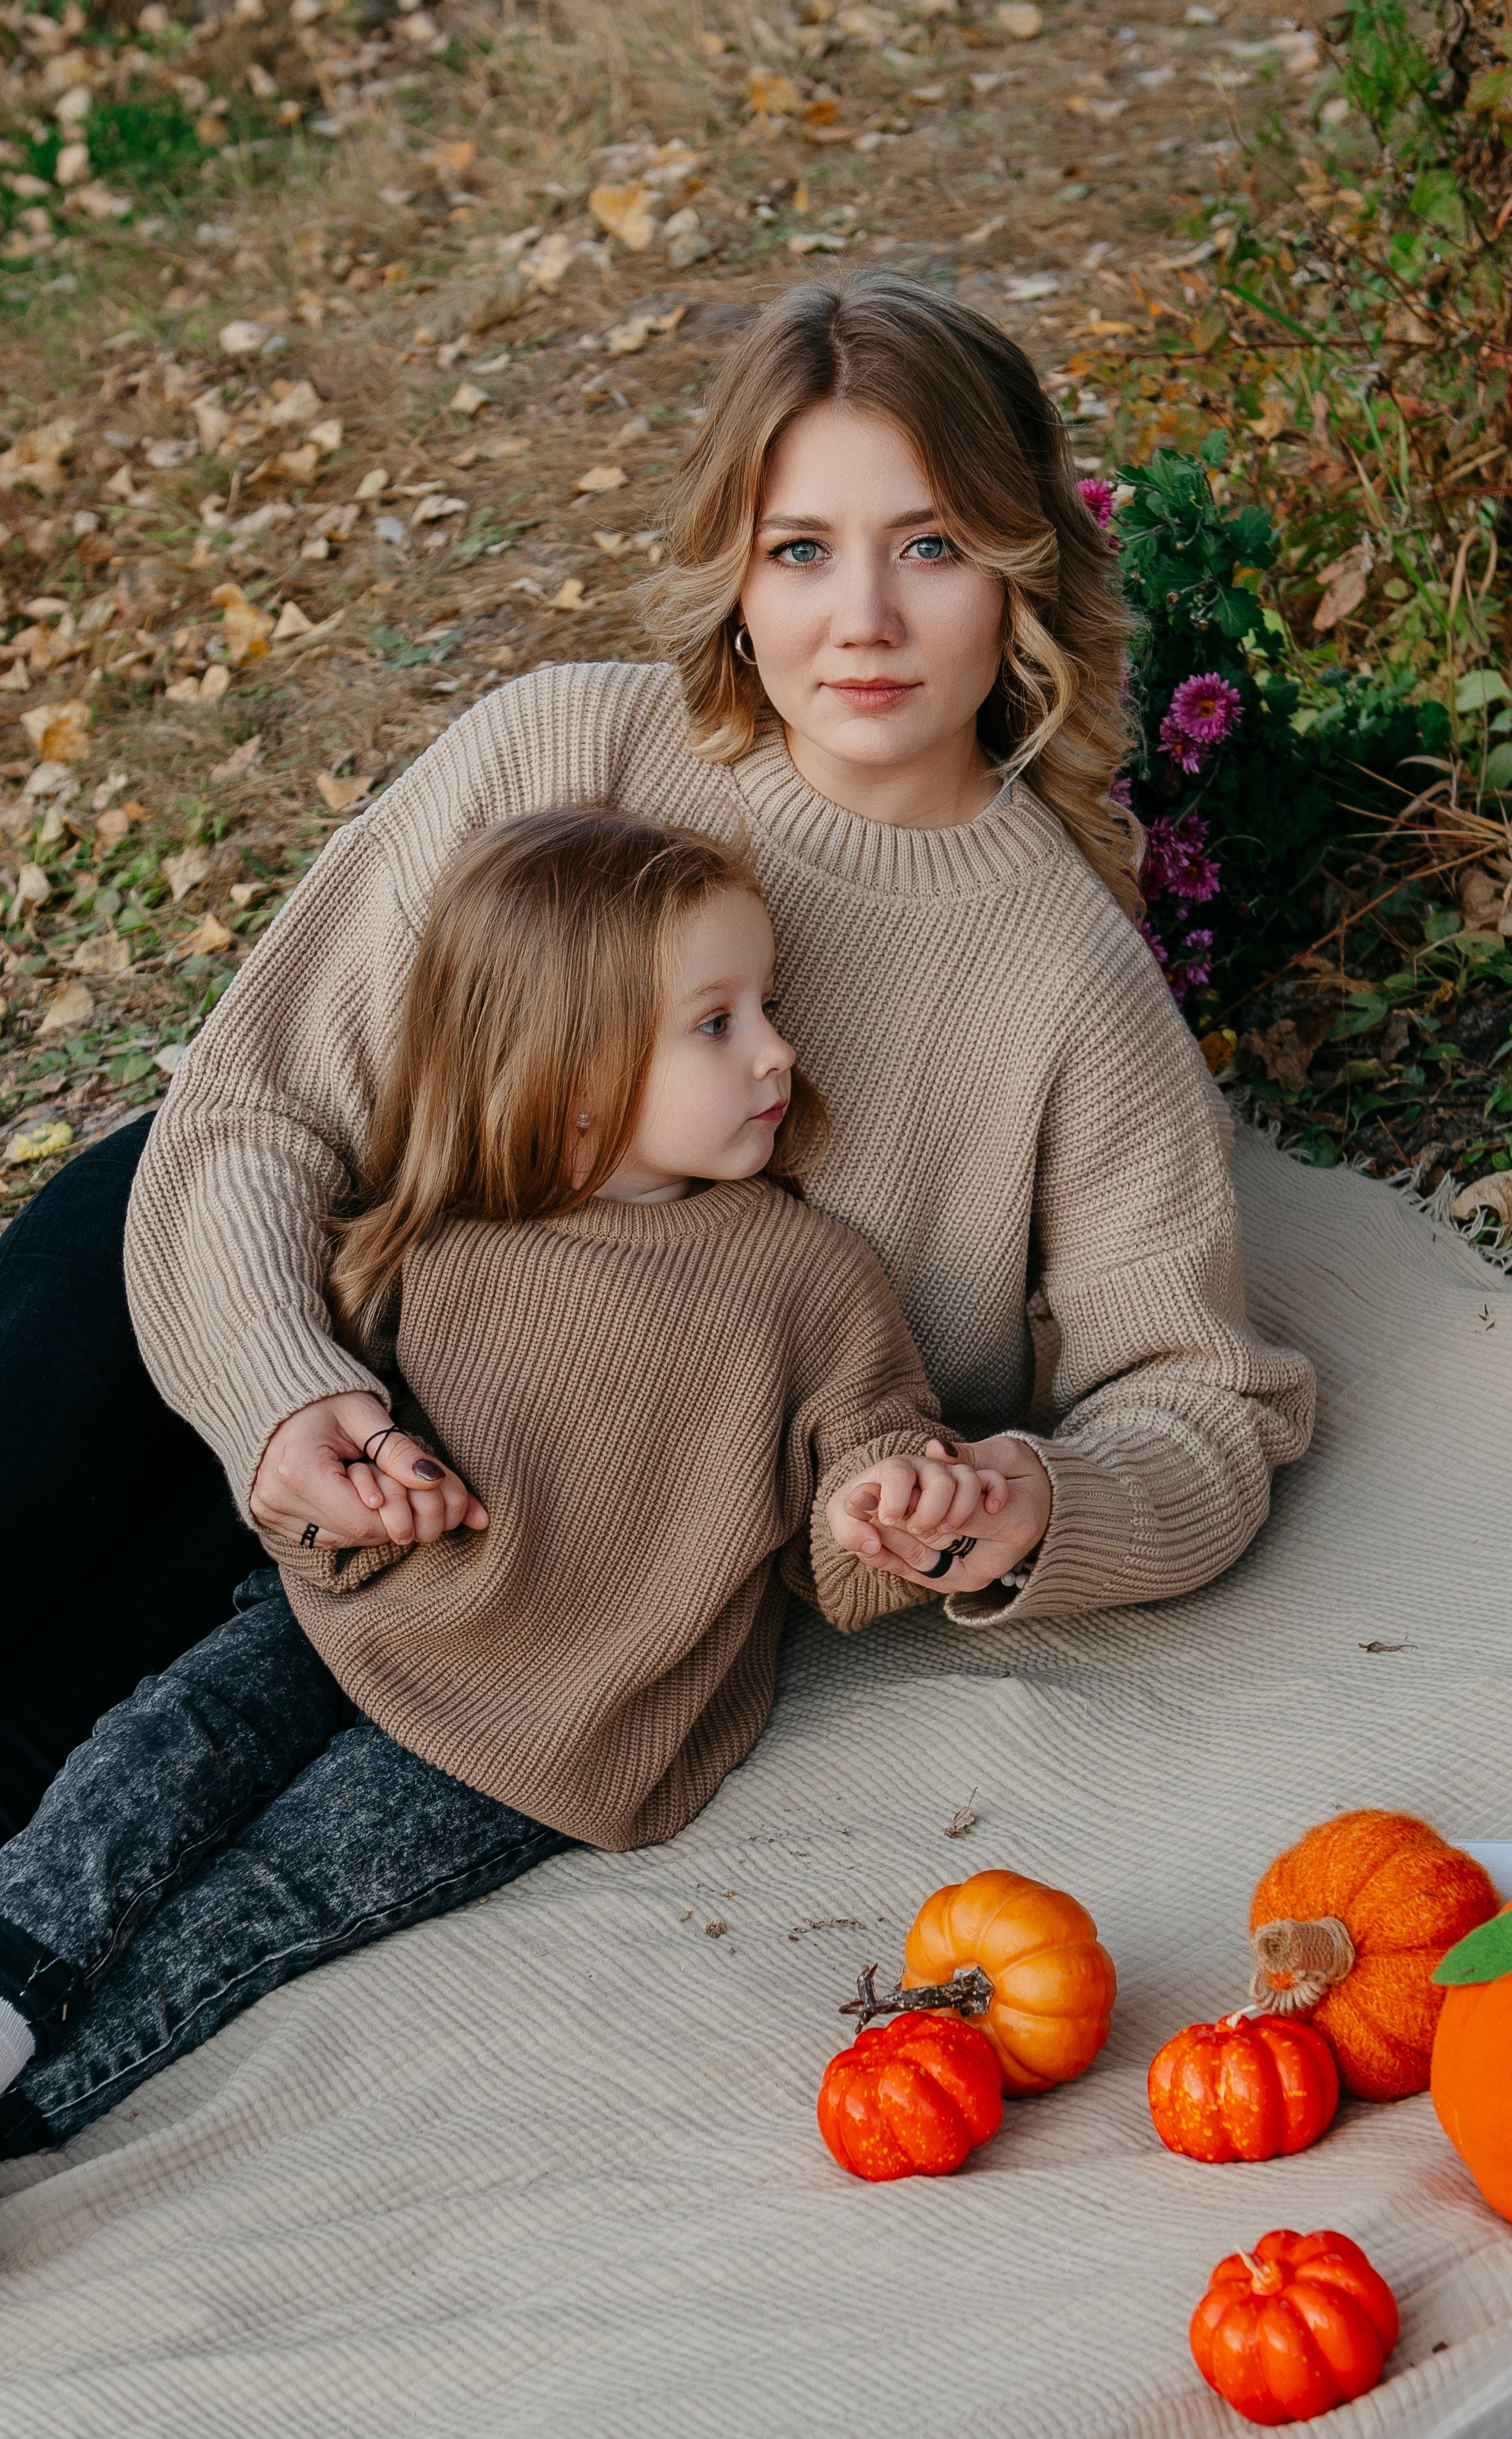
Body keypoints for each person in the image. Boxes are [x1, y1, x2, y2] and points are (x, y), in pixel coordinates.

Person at [1, 266, 1316, 1837]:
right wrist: (277, 1390)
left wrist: (1038, 1498)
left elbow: (1202, 1399)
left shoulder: (1068, 984)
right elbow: (259, 1102)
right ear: (734, 574)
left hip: (534, 1537)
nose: (864, 621)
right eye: (800, 550)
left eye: (932, 547)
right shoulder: (571, 743)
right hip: (283, 1329)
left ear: (1021, 572)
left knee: (50, 1770)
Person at [0, 807, 1001, 2153]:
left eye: (766, 1009)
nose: (775, 1051)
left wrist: (889, 1513)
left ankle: (36, 2113)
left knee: (271, 1899)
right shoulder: (444, 1231)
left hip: (542, 1728)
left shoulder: (806, 1276)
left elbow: (858, 1481)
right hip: (347, 1623)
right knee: (161, 1747)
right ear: (568, 1070)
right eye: (717, 1024)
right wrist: (347, 1506)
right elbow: (325, 1477)